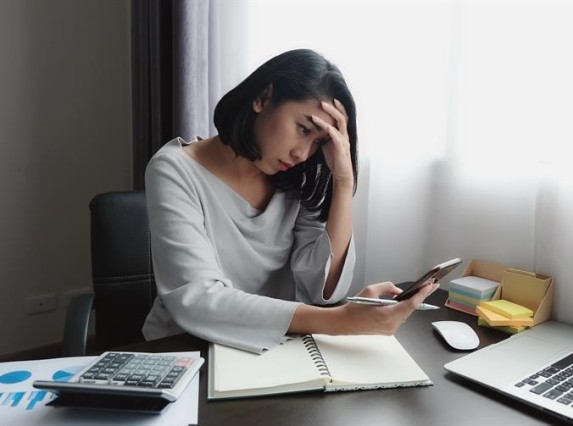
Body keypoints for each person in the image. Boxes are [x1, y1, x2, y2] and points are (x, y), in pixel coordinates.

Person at [142, 49, 438, 353]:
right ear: (263, 98)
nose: (302, 154)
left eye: (319, 143)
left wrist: (343, 181)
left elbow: (320, 287)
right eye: (303, 129)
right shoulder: (174, 169)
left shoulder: (295, 179)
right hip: (187, 349)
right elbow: (199, 300)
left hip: (272, 349)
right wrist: (342, 321)